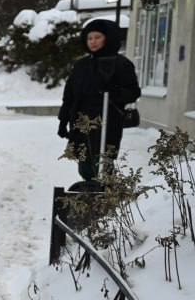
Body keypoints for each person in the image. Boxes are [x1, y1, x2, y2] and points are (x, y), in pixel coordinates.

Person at [57, 18, 141, 182]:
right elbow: (69, 96)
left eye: (97, 37)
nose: (93, 42)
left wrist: (114, 92)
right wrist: (63, 120)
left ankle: (105, 196)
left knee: (102, 162)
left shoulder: (120, 64)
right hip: (81, 123)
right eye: (90, 38)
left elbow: (133, 92)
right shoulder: (81, 65)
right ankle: (90, 195)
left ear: (107, 38)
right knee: (84, 164)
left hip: (106, 121)